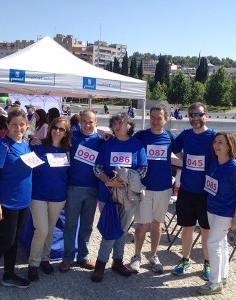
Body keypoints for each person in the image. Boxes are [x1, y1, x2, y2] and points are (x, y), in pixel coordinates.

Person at [172, 102, 236, 280]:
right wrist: (186, 160)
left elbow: (231, 155)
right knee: (187, 228)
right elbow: (176, 150)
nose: (195, 118)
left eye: (199, 114)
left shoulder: (214, 136)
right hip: (187, 190)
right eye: (191, 115)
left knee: (206, 230)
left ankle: (207, 262)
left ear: (206, 115)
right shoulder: (186, 134)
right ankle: (185, 259)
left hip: (207, 193)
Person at [0, 108, 32, 291]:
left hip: (24, 201)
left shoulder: (25, 145)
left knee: (14, 239)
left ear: (27, 126)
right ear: (7, 125)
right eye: (14, 124)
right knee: (6, 240)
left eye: (22, 124)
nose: (18, 128)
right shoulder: (2, 146)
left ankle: (9, 274)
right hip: (6, 203)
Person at [91, 112, 147, 282]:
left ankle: (117, 261)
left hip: (130, 196)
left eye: (120, 123)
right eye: (114, 123)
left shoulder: (137, 145)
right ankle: (101, 264)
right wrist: (109, 182)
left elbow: (143, 169)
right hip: (107, 195)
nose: (116, 126)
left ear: (128, 126)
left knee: (122, 231)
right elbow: (97, 167)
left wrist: (126, 179)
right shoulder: (107, 145)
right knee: (110, 229)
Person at [130, 104, 177, 273]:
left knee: (157, 224)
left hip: (163, 188)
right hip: (143, 188)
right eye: (152, 117)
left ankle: (153, 255)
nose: (155, 121)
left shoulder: (171, 137)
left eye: (159, 118)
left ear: (166, 120)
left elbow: (185, 157)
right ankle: (136, 256)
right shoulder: (141, 135)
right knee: (142, 224)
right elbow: (125, 145)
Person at [198, 132, 236, 295]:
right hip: (212, 208)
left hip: (225, 212)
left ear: (229, 146)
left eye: (221, 143)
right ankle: (223, 276)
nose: (216, 145)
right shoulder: (214, 162)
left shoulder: (235, 168)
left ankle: (214, 282)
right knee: (221, 243)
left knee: (212, 243)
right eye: (215, 142)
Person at [28, 117, 72, 281]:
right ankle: (33, 264)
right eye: (55, 127)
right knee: (42, 230)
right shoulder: (39, 146)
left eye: (62, 129)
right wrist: (31, 140)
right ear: (51, 128)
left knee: (50, 229)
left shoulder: (68, 150)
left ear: (66, 133)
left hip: (58, 196)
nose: (57, 131)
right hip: (38, 195)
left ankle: (44, 260)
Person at [60, 109, 102, 273]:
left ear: (95, 123)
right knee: (70, 224)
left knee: (87, 226)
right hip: (73, 188)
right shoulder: (72, 137)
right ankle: (67, 258)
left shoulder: (100, 140)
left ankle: (83, 256)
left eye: (90, 122)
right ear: (79, 122)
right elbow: (53, 139)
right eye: (84, 121)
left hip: (92, 189)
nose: (87, 125)